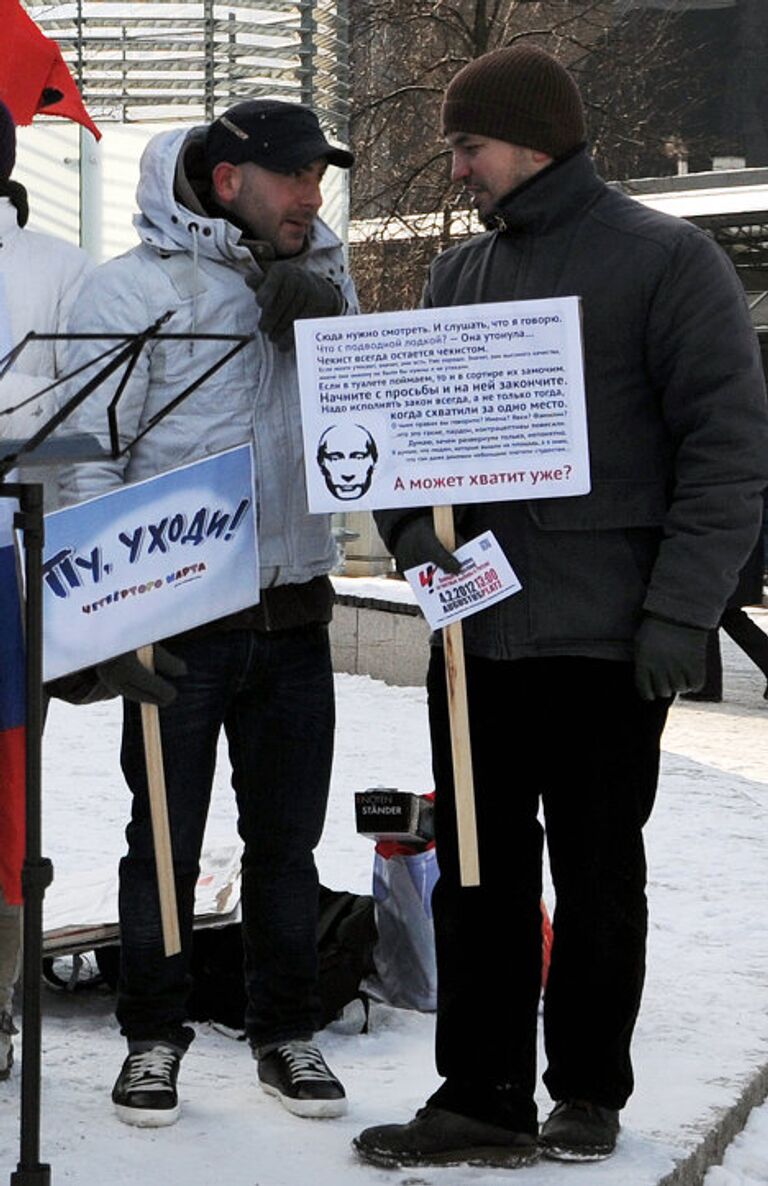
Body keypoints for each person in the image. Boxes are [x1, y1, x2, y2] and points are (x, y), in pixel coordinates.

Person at [354, 44, 768, 1170]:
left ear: (529, 140)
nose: (455, 171)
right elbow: (408, 452)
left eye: (467, 147)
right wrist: (410, 545)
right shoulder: (457, 278)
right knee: (479, 873)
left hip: (609, 638)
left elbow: (728, 455)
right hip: (478, 640)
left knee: (597, 873)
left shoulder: (668, 262)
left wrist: (680, 617)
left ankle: (587, 1089)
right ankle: (479, 1096)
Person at [56, 99, 357, 1127]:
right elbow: (88, 460)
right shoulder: (130, 291)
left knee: (287, 842)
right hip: (173, 624)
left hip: (297, 615)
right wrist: (102, 623)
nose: (313, 196)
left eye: (321, 176)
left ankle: (288, 1030)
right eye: (293, 177)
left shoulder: (328, 275)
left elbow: (365, 426)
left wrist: (329, 324)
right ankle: (153, 1033)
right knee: (165, 843)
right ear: (229, 182)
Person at [0, 98, 91, 1080]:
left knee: (3, 802)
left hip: (10, 575)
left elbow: (85, 455)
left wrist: (73, 605)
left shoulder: (62, 276)